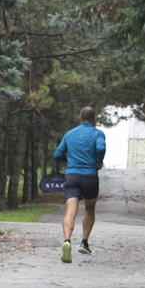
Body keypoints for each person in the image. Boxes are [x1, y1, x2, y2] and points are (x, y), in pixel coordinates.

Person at [52, 106, 105, 263]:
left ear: (80, 118)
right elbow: (101, 147)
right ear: (94, 119)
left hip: (72, 176)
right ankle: (84, 243)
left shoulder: (69, 134)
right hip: (90, 176)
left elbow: (57, 154)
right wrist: (98, 161)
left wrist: (69, 160)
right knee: (89, 209)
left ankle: (67, 241)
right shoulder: (98, 134)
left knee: (70, 210)